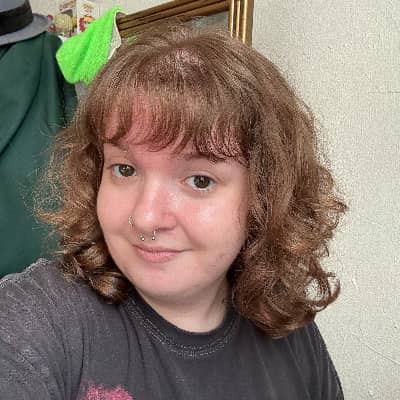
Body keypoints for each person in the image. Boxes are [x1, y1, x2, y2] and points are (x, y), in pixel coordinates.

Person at [0, 22, 346, 399]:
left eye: (199, 180)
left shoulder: (292, 333)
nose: (146, 218)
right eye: (124, 170)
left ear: (265, 195)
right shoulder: (35, 321)